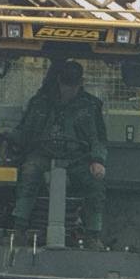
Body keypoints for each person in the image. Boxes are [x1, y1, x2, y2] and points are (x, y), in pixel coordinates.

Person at [8, 60, 107, 248]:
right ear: (58, 81)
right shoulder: (39, 103)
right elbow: (25, 131)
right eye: (66, 84)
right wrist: (8, 140)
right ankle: (19, 228)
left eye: (73, 84)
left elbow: (98, 139)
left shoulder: (91, 106)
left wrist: (98, 160)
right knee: (29, 171)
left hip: (77, 160)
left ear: (81, 83)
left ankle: (93, 234)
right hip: (43, 156)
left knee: (96, 182)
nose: (69, 89)